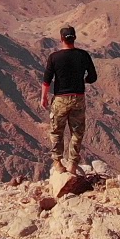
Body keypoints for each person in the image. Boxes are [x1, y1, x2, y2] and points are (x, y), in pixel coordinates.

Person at [41, 25, 98, 175]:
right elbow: (93, 77)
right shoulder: (83, 55)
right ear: (75, 38)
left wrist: (44, 97)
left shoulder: (54, 57)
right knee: (77, 132)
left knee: (56, 132)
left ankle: (58, 163)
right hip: (78, 98)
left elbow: (46, 80)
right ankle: (72, 164)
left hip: (60, 99)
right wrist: (81, 80)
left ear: (61, 39)